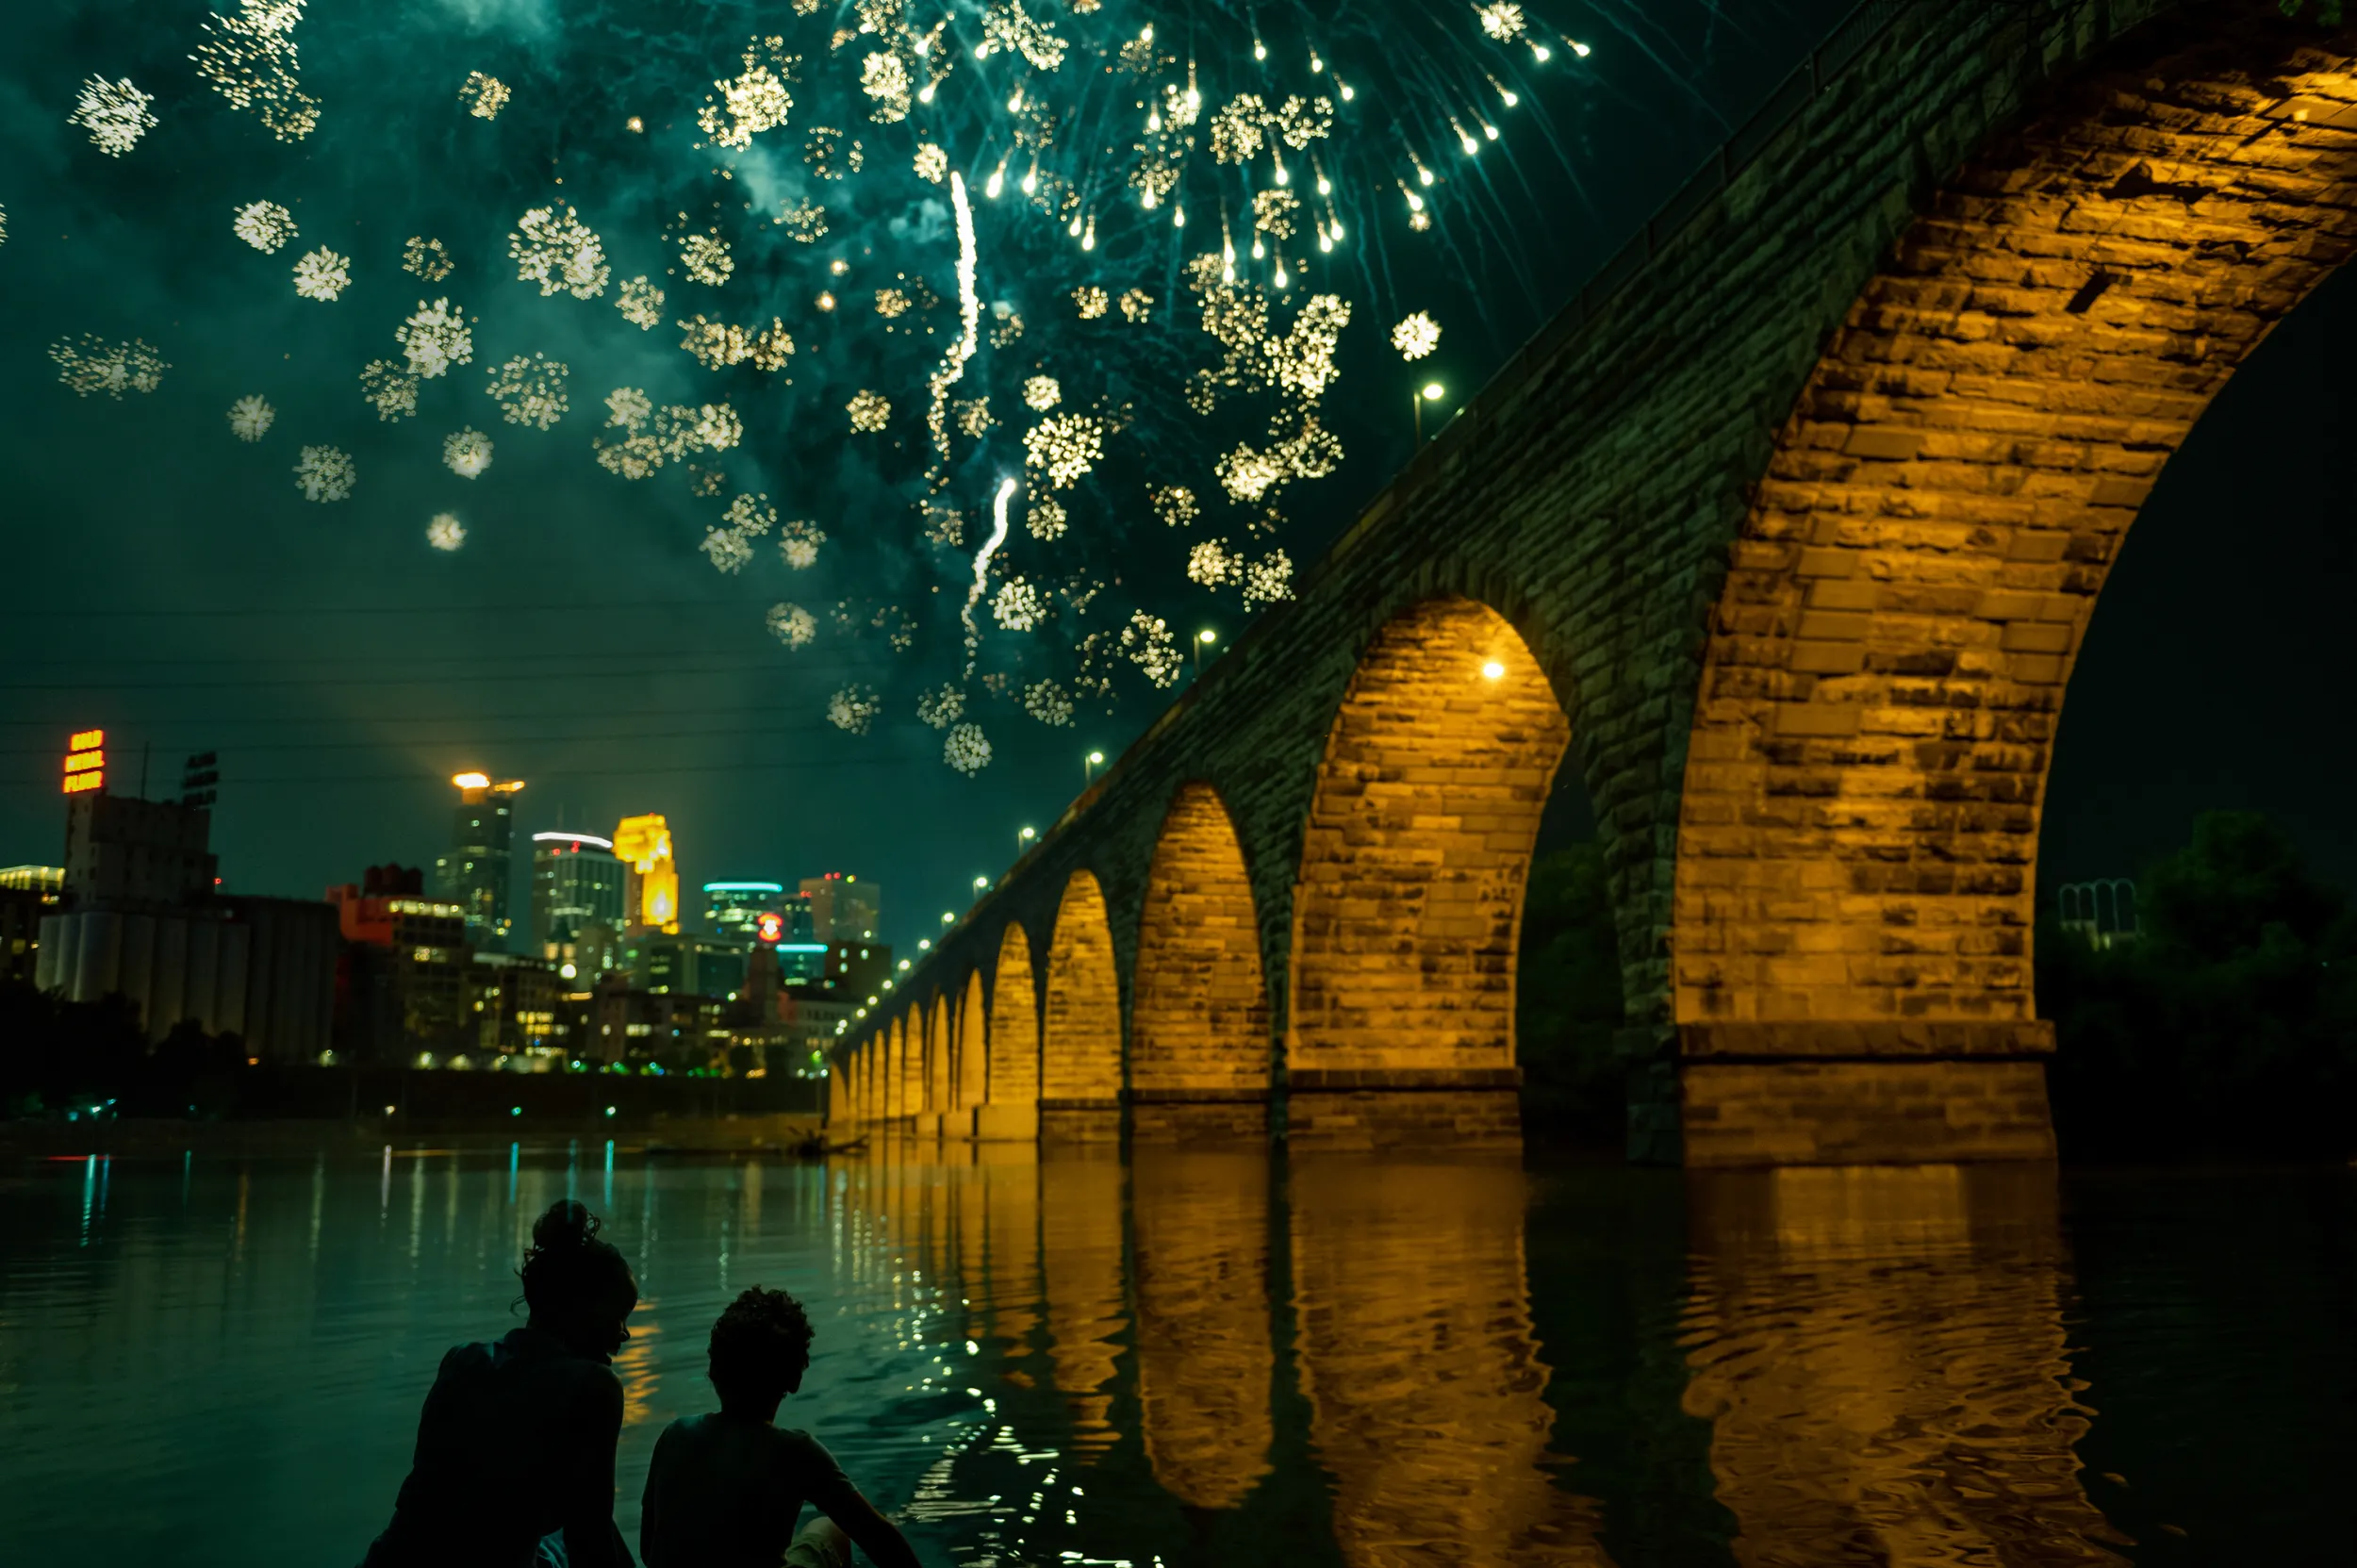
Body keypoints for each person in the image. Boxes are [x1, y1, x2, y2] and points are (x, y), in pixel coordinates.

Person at [361, 1200, 640, 1568]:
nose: (625, 1334)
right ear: (580, 1309)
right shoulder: (592, 1387)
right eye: (618, 1317)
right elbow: (588, 1538)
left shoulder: (461, 1360)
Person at [640, 1286, 922, 1568]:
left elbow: (648, 1545)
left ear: (714, 1370)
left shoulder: (675, 1434)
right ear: (794, 1379)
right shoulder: (796, 1453)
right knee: (830, 1529)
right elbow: (882, 1540)